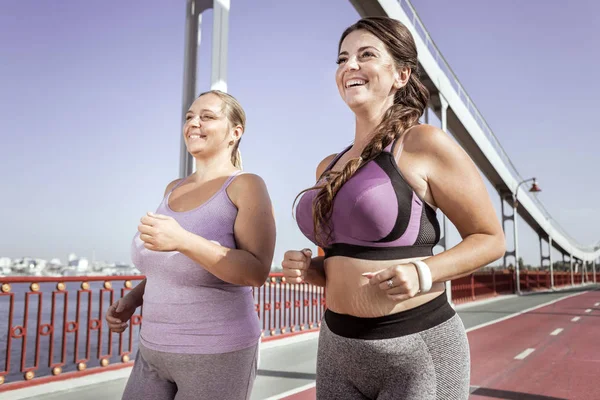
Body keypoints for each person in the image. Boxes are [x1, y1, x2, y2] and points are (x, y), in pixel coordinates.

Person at [284, 17, 505, 400]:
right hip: (337, 348)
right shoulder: (328, 166)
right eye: (342, 58)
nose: (349, 66)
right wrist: (311, 269)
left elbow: (490, 239)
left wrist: (423, 272)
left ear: (401, 75)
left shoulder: (422, 143)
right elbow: (350, 261)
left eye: (365, 55)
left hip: (416, 351)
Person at [105, 90, 276, 400]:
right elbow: (172, 267)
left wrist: (183, 240)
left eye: (207, 117)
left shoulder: (246, 185)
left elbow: (256, 272)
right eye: (189, 117)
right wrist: (133, 298)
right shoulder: (173, 188)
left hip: (216, 352)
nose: (193, 123)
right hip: (153, 349)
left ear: (235, 133)